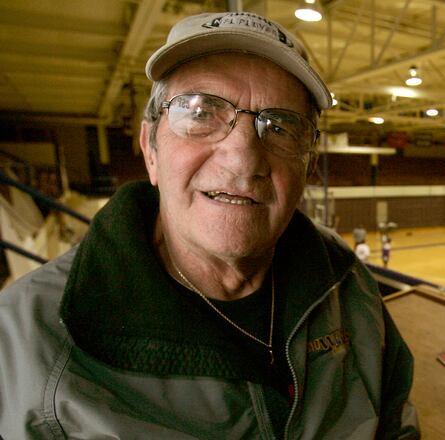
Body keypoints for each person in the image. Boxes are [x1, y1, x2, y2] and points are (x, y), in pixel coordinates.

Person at [0, 11, 418, 439]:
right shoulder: (26, 340)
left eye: (279, 126)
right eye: (200, 112)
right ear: (150, 149)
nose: (243, 158)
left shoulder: (346, 284)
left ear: (308, 165)